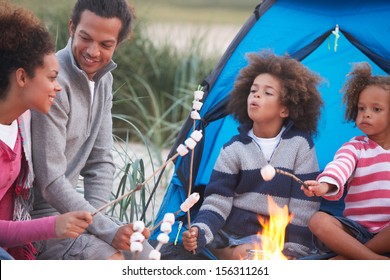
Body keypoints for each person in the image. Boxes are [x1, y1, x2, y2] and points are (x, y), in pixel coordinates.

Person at [30, 0, 150, 260]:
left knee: (147, 255)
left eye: (106, 44)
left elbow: (101, 161)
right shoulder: (53, 83)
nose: (93, 52)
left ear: (118, 42)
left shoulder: (104, 78)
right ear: (72, 27)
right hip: (40, 220)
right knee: (113, 261)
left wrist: (99, 224)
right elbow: (50, 182)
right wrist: (102, 229)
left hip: (77, 215)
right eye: (86, 38)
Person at [182, 51, 324, 260]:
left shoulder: (300, 145)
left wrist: (294, 251)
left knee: (263, 252)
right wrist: (200, 231)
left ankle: (232, 255)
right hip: (232, 234)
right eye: (253, 90)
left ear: (285, 109)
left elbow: (304, 205)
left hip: (275, 237)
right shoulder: (234, 148)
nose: (256, 95)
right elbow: (217, 200)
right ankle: (223, 251)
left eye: (268, 93)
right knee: (245, 252)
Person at [0, 1, 93, 260]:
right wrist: (53, 226)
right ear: (21, 78)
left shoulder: (22, 123)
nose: (58, 87)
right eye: (51, 77)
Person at [302, 62, 390, 260]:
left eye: (376, 109)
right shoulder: (356, 146)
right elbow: (340, 166)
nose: (366, 113)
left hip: (387, 232)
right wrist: (325, 185)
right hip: (354, 230)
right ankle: (373, 260)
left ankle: (352, 257)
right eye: (361, 108)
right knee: (318, 220)